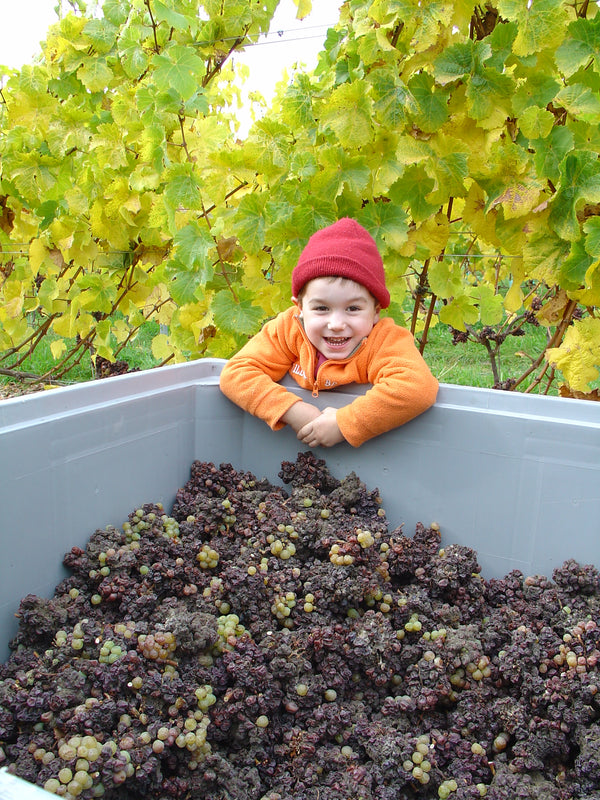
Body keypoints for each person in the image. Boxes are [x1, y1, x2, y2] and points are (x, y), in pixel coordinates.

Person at [219, 217, 438, 448]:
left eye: (353, 309)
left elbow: (417, 387)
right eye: (322, 308)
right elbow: (236, 373)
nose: (336, 324)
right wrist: (293, 410)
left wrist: (345, 423)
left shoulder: (383, 340)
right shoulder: (288, 329)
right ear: (300, 308)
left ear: (375, 312)